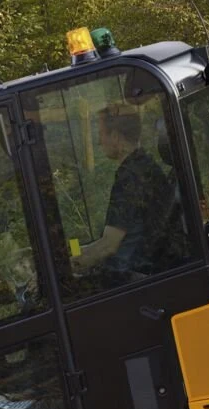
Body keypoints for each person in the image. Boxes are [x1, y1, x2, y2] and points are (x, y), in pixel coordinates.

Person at [75, 104, 180, 279]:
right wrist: (77, 251)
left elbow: (109, 245)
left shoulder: (130, 177)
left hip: (144, 271)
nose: (99, 141)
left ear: (115, 137)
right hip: (153, 263)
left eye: (101, 134)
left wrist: (71, 264)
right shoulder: (144, 165)